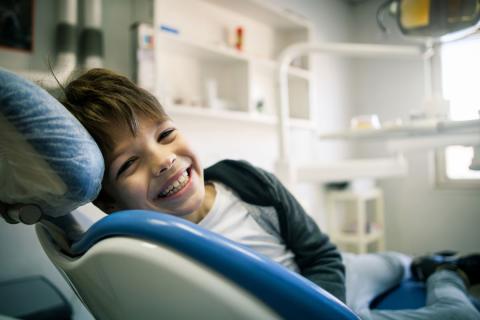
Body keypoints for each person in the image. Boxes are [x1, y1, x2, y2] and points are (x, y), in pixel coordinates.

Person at [7, 68, 480, 319]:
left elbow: (323, 255)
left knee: (392, 262)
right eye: (129, 163)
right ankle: (450, 277)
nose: (164, 160)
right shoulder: (130, 248)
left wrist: (328, 302)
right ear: (106, 199)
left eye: (166, 134)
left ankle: (430, 264)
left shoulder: (247, 181)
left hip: (331, 279)